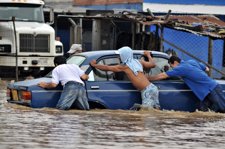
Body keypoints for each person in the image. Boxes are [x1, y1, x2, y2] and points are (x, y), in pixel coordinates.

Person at [148, 55, 225, 113]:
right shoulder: (192, 62)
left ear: (175, 62)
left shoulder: (180, 68)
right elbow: (207, 69)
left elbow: (162, 75)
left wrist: (147, 78)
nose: (173, 69)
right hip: (205, 92)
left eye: (172, 66)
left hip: (211, 89)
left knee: (223, 108)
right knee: (204, 113)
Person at [90, 46, 160, 109]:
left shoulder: (125, 66)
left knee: (146, 113)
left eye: (120, 55)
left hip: (147, 91)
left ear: (124, 55)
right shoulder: (139, 62)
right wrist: (148, 55)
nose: (119, 57)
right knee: (154, 110)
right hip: (152, 88)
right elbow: (152, 64)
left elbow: (108, 68)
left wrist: (95, 65)